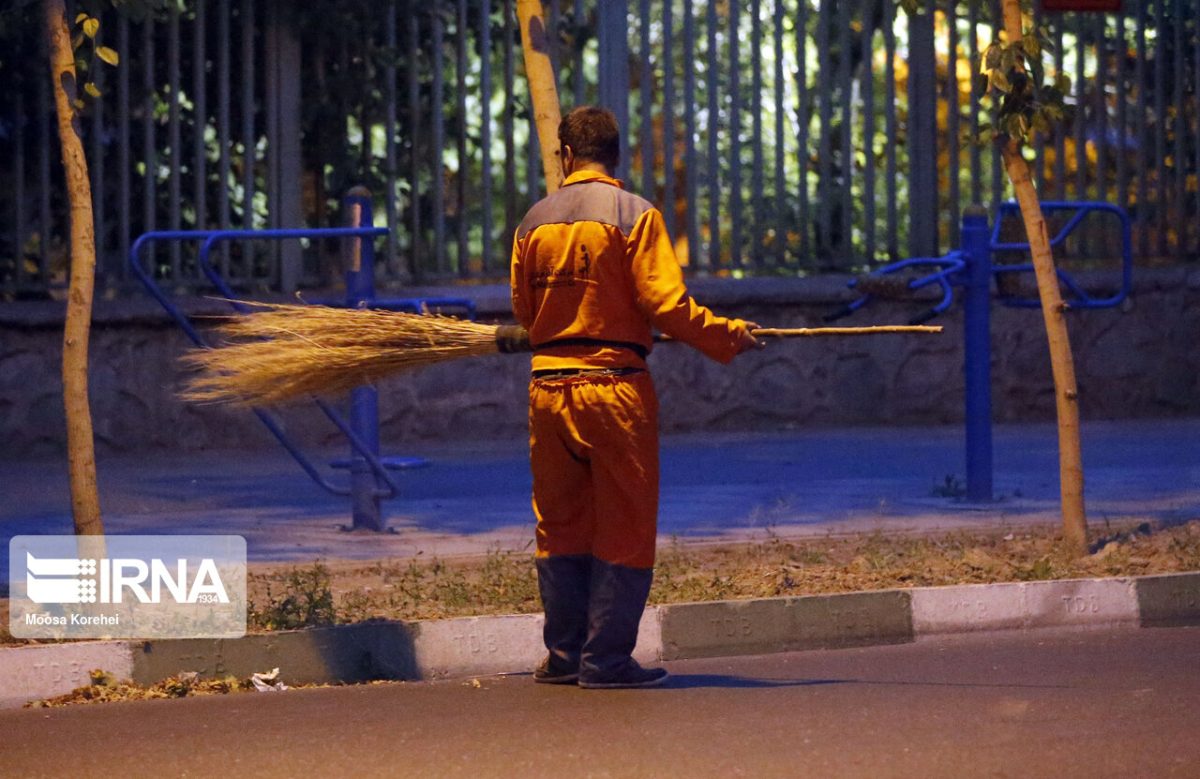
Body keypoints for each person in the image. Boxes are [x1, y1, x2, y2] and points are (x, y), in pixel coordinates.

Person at [510, 105, 759, 689]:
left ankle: (566, 656)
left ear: (566, 156)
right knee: (623, 524)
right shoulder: (634, 215)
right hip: (614, 390)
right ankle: (607, 661)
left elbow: (525, 312)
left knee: (560, 525)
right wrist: (727, 335)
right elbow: (667, 306)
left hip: (548, 391)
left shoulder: (533, 221)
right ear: (615, 157)